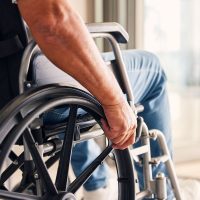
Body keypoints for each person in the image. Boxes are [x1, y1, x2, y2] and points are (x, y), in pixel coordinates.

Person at [0, 0, 173, 199]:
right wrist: (115, 101)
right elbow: (52, 21)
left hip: (7, 96)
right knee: (153, 69)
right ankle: (162, 195)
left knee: (74, 86)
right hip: (28, 89)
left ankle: (97, 184)